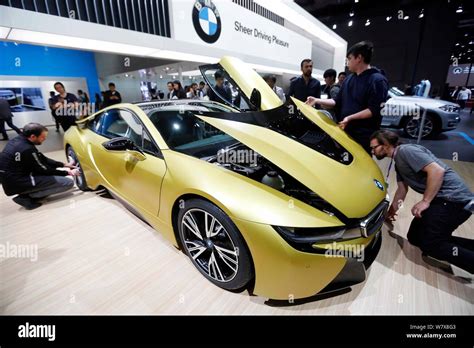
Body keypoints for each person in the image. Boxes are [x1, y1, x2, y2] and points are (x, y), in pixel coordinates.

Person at [370, 130, 473, 274]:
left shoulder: (406, 151)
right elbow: (402, 190)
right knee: (415, 237)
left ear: (386, 144)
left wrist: (425, 201)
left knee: (431, 244)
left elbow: (437, 171)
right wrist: (390, 213)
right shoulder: (398, 161)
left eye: (374, 147)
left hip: (454, 201)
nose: (373, 151)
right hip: (442, 200)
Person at [306, 41, 389, 154]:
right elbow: (337, 101)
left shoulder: (377, 80)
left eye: (349, 58)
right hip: (346, 131)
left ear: (359, 58)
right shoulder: (349, 79)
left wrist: (350, 118)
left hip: (364, 136)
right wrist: (316, 100)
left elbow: (374, 109)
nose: (347, 62)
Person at [0, 123, 80, 210]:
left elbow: (41, 158)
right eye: (42, 137)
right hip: (18, 182)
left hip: (10, 180)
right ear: (33, 136)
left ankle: (28, 193)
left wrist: (64, 164)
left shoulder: (18, 140)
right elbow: (44, 169)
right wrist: (67, 172)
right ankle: (27, 197)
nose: (44, 139)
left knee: (50, 173)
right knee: (67, 183)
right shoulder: (27, 149)